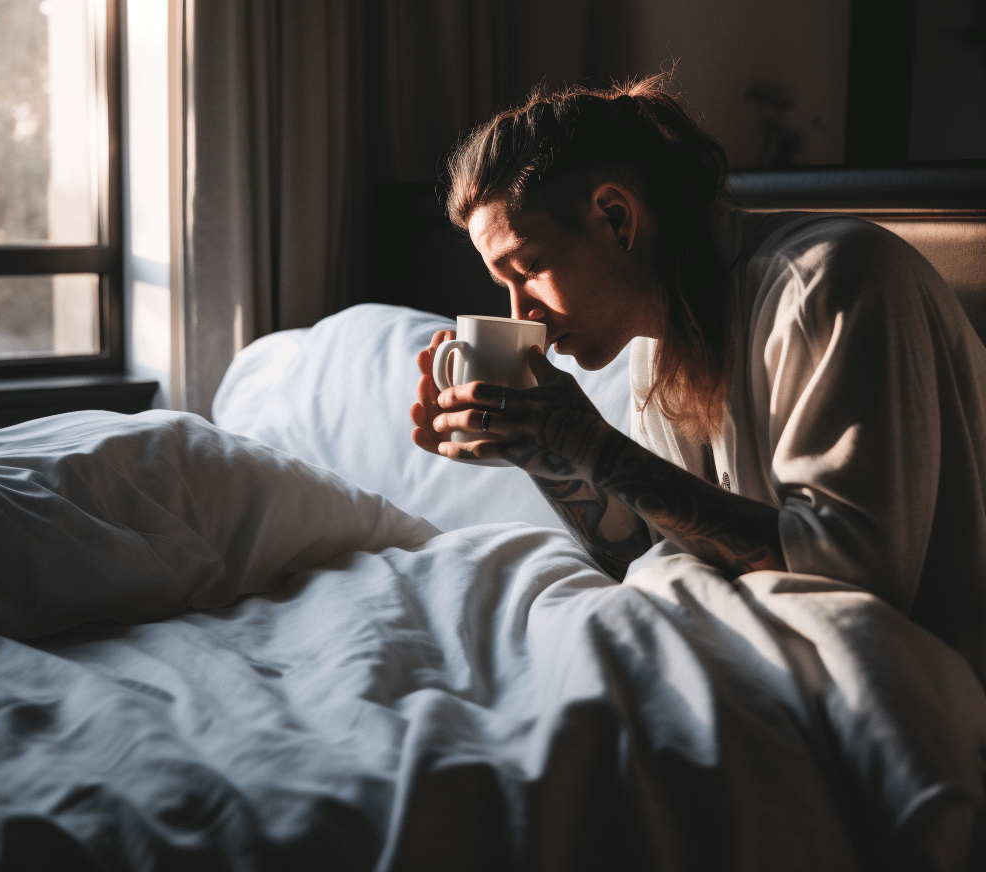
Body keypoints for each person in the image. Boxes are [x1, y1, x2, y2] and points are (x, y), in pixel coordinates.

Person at [409, 76, 986, 688]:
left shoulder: (831, 285)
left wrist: (596, 448)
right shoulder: (656, 347)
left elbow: (851, 585)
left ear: (615, 217)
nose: (522, 313)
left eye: (529, 268)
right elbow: (658, 548)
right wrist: (548, 456)